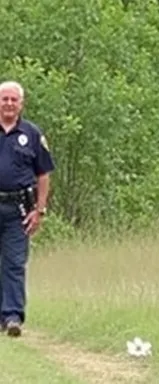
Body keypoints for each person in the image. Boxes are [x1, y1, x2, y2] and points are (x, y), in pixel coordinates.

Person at [0, 80, 55, 337]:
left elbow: (43, 174)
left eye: (13, 99)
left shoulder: (32, 134)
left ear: (21, 104)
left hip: (18, 209)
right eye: (4, 99)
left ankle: (12, 316)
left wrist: (40, 210)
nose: (9, 104)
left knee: (14, 263)